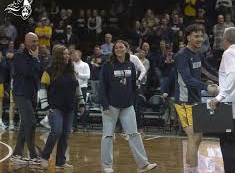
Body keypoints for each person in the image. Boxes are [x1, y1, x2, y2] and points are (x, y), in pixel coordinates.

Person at [99, 40, 157, 173]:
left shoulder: (131, 65)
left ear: (126, 49)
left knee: (134, 134)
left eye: (121, 47)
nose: (118, 49)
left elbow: (133, 86)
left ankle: (143, 165)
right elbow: (103, 86)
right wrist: (105, 104)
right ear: (114, 50)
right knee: (107, 135)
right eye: (116, 48)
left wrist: (133, 101)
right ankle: (107, 166)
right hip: (110, 106)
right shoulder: (108, 65)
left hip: (127, 106)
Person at [174, 24, 218, 172]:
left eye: (201, 36)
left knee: (198, 137)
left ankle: (188, 169)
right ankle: (193, 170)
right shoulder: (181, 55)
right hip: (184, 102)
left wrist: (224, 78)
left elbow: (208, 70)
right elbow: (187, 80)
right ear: (188, 37)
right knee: (192, 137)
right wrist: (207, 87)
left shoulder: (198, 53)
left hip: (196, 101)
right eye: (196, 36)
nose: (200, 39)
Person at [208, 27, 235, 173]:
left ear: (226, 39)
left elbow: (233, 75)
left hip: (231, 110)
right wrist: (221, 88)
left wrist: (219, 96)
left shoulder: (229, 53)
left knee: (228, 148)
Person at [39, 44, 85, 169]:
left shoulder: (71, 69)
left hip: (70, 107)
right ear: (58, 56)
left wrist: (81, 102)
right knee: (56, 132)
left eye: (67, 53)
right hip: (55, 107)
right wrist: (45, 106)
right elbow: (42, 88)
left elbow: (77, 87)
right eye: (64, 54)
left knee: (65, 135)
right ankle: (44, 156)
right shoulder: (49, 70)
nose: (67, 56)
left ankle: (60, 161)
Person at [11, 32, 42, 164]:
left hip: (32, 94)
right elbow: (27, 72)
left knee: (25, 124)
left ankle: (17, 154)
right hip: (21, 93)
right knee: (31, 122)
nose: (36, 44)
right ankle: (33, 155)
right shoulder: (19, 56)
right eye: (33, 41)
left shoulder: (35, 56)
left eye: (37, 41)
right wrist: (35, 59)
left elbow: (40, 72)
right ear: (26, 42)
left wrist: (36, 59)